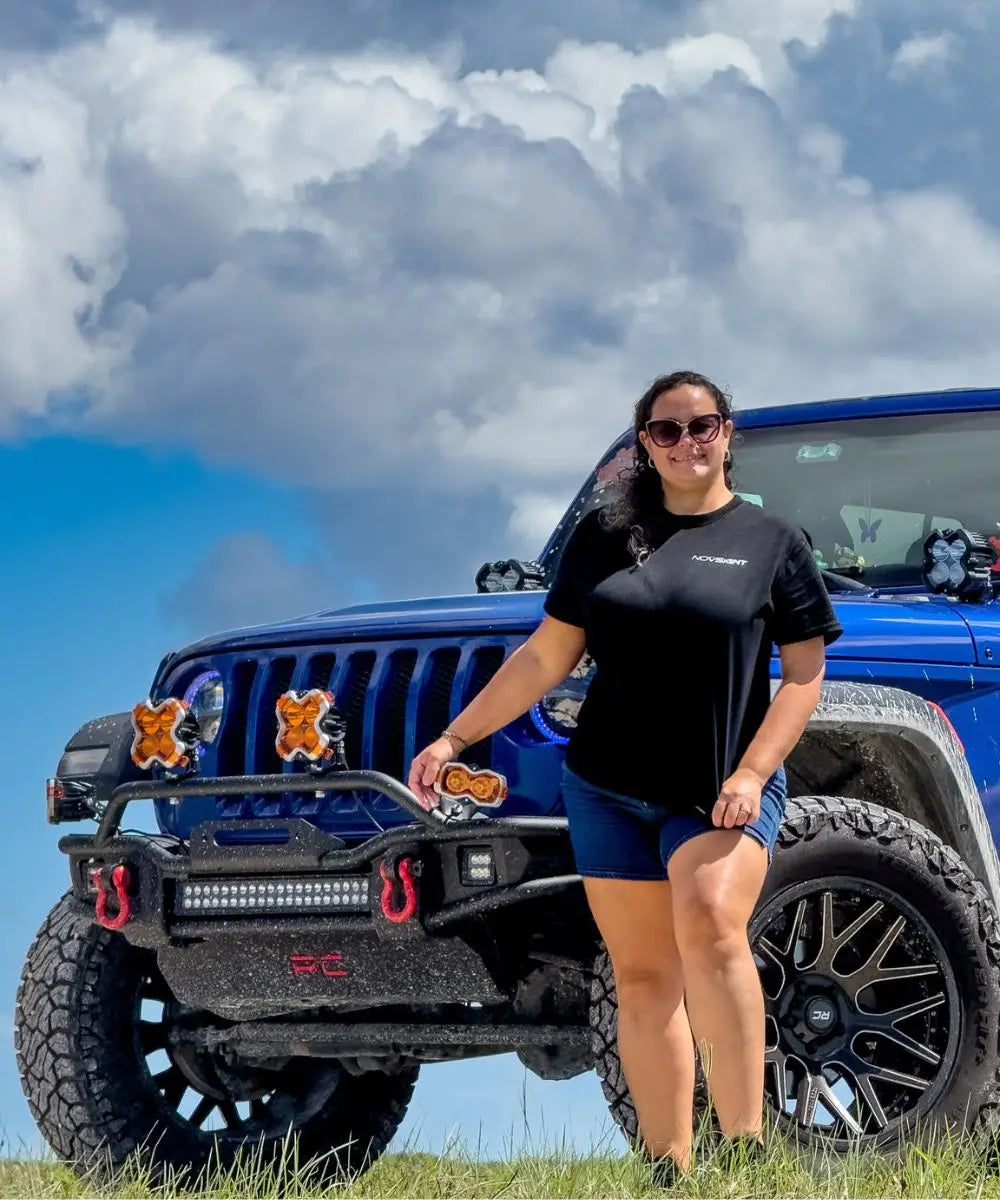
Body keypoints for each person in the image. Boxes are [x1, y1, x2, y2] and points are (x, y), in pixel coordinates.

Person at [407, 370, 842, 1180]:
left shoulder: (773, 542)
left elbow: (804, 678)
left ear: (726, 432)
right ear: (646, 443)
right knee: (642, 976)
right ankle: (669, 1170)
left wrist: (753, 773)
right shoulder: (604, 540)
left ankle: (746, 1155)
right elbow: (545, 656)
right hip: (606, 786)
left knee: (711, 925)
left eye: (701, 425)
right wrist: (454, 738)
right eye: (666, 430)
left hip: (720, 785)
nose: (686, 442)